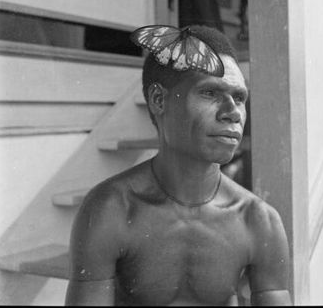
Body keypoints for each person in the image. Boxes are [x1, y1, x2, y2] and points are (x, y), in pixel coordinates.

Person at [65, 25, 292, 306]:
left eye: (240, 98)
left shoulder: (258, 220)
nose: (233, 113)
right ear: (159, 100)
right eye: (210, 93)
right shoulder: (111, 209)